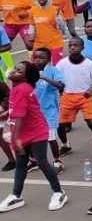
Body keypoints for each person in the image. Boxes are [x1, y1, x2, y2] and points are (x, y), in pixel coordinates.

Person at [0, 61, 68, 213]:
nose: (13, 71)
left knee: (42, 162)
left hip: (36, 131)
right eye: (15, 68)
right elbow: (19, 108)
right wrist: (7, 114)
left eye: (19, 71)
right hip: (23, 131)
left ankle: (59, 192)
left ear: (25, 77)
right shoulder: (17, 87)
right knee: (21, 164)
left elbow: (20, 116)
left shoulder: (22, 89)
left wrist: (16, 139)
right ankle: (16, 195)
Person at [54, 37, 92, 156]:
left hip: (84, 97)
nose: (72, 47)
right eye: (70, 45)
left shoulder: (88, 63)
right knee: (60, 125)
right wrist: (60, 91)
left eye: (76, 45)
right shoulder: (62, 63)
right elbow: (56, 78)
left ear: (82, 48)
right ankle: (66, 145)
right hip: (68, 96)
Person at [29, 48, 64, 174]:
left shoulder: (53, 71)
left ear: (49, 59)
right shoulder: (30, 71)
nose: (37, 60)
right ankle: (33, 160)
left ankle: (57, 161)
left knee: (50, 138)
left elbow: (61, 85)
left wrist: (44, 77)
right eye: (35, 57)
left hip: (49, 111)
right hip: (33, 111)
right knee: (31, 137)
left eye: (41, 58)